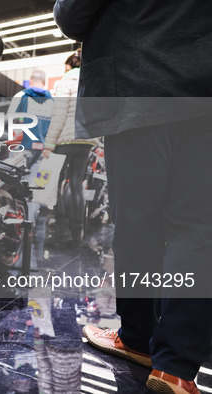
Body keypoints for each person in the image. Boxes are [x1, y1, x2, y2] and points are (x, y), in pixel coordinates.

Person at [54, 0, 212, 393]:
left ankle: (139, 339)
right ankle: (176, 368)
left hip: (136, 86)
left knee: (137, 224)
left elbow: (71, 15)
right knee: (197, 231)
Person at [42, 49, 96, 246]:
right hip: (85, 140)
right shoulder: (92, 79)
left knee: (56, 184)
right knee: (76, 184)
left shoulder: (67, 80)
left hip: (65, 139)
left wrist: (49, 144)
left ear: (69, 65)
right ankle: (78, 233)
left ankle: (62, 230)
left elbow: (59, 114)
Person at [9, 69, 53, 224]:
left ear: (31, 80)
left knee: (13, 183)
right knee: (33, 188)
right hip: (42, 149)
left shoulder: (22, 96)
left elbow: (9, 120)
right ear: (44, 82)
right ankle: (29, 225)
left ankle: (14, 222)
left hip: (22, 146)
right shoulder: (52, 100)